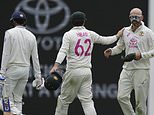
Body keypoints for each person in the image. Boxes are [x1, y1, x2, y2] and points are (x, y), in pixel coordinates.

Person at [50, 11, 123, 115]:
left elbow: (63, 51)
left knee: (64, 101)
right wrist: (117, 36)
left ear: (72, 22)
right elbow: (105, 40)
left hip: (73, 71)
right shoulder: (90, 34)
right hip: (86, 72)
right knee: (87, 101)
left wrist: (56, 65)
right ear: (84, 22)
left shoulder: (69, 34)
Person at [104, 8, 154, 115]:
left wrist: (141, 55)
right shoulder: (125, 31)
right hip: (127, 69)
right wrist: (112, 51)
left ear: (142, 18)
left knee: (140, 105)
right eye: (132, 17)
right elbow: (120, 47)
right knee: (121, 97)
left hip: (141, 70)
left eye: (136, 17)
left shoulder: (148, 32)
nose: (134, 19)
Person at [0, 11, 44, 115]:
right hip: (25, 70)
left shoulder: (9, 33)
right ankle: (18, 112)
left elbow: (6, 54)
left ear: (13, 21)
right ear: (24, 22)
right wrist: (38, 78)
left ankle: (19, 114)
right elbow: (35, 58)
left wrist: (2, 72)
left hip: (12, 69)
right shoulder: (32, 36)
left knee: (5, 100)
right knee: (18, 100)